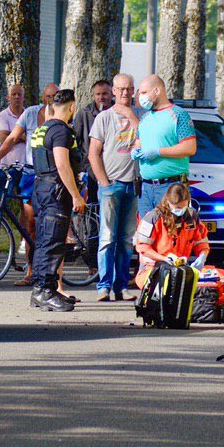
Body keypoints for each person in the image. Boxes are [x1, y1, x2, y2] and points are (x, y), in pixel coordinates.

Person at [0, 82, 58, 285]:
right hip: (31, 173)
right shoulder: (30, 113)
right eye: (48, 96)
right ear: (42, 97)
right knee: (30, 224)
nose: (51, 101)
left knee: (52, 224)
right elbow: (11, 137)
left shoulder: (62, 117)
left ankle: (55, 277)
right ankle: (31, 271)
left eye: (55, 97)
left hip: (53, 174)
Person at [29, 89, 86, 312]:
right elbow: (62, 164)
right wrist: (76, 195)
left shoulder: (42, 129)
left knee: (44, 241)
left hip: (42, 188)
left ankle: (40, 290)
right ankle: (47, 291)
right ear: (72, 108)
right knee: (53, 243)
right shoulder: (62, 132)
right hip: (56, 191)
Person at [88, 73, 140, 301]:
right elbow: (93, 154)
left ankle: (121, 286)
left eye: (130, 89)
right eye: (121, 89)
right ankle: (103, 286)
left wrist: (131, 115)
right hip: (112, 184)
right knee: (107, 237)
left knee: (127, 239)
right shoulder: (104, 118)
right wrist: (104, 183)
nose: (126, 93)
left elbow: (146, 140)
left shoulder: (141, 116)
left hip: (133, 186)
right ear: (114, 92)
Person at [133, 75, 197, 212]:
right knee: (147, 232)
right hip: (145, 187)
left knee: (170, 230)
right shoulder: (145, 118)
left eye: (144, 93)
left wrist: (158, 152)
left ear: (156, 90)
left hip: (171, 186)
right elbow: (138, 143)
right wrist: (137, 151)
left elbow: (190, 148)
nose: (140, 97)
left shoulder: (179, 115)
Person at [133, 182, 210, 289]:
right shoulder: (153, 218)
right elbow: (143, 247)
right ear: (168, 202)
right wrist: (164, 258)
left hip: (180, 269)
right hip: (152, 269)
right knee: (167, 284)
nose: (181, 210)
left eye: (184, 206)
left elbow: (201, 242)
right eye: (178, 207)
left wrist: (202, 256)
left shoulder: (191, 216)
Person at [72, 79, 113, 205]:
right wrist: (83, 164)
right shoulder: (84, 114)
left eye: (105, 93)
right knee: (92, 206)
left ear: (112, 94)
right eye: (98, 94)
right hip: (90, 170)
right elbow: (75, 141)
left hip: (113, 168)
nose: (101, 97)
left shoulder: (118, 112)